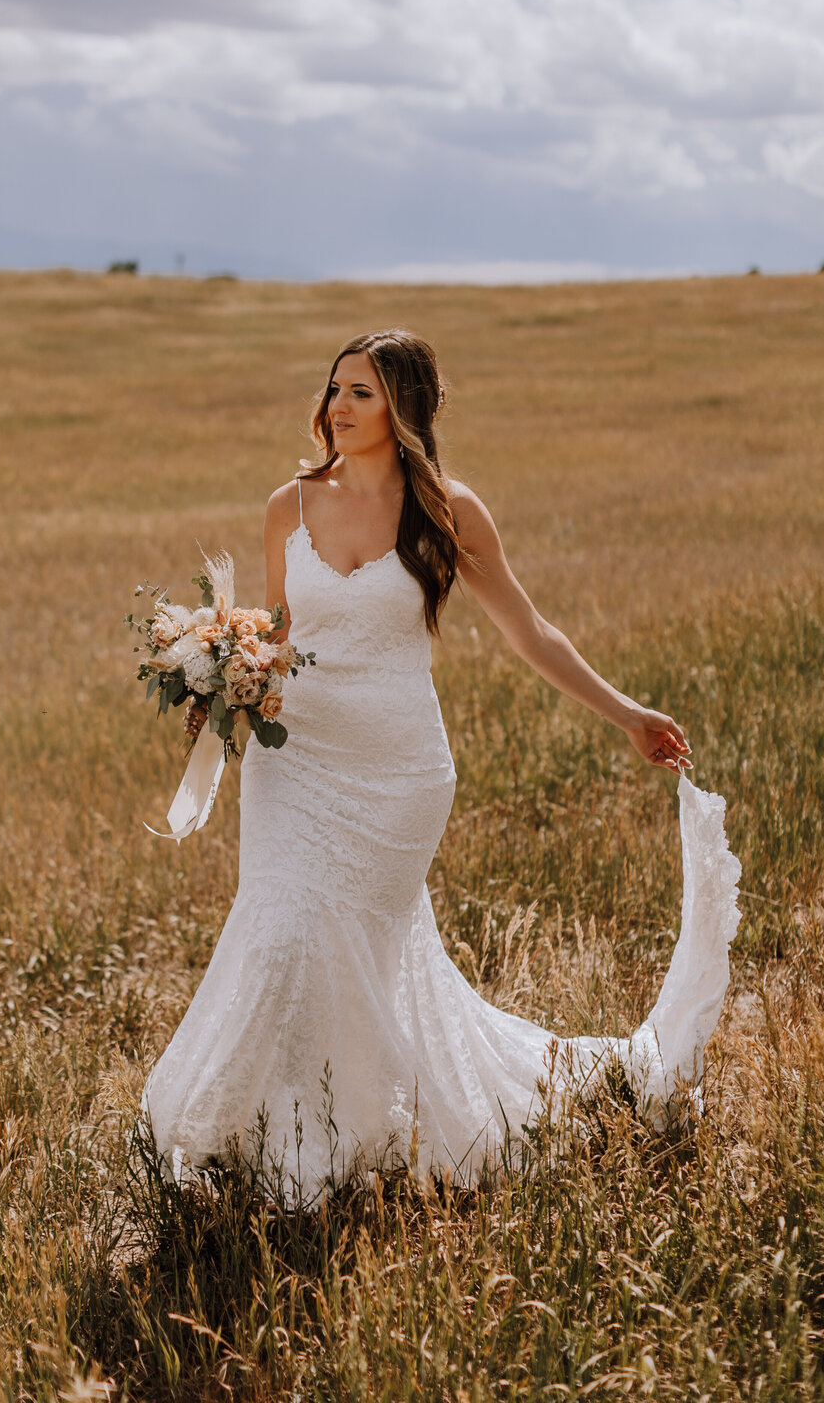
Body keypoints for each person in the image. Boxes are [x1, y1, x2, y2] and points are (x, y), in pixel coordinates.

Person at [143, 329, 740, 1191]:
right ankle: (273, 1136)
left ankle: (358, 1134)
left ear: (403, 407)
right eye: (334, 389)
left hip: (397, 775)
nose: (337, 408)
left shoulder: (449, 512)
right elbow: (278, 637)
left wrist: (626, 713)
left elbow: (529, 631)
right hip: (294, 763)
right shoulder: (290, 506)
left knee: (348, 952)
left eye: (361, 393)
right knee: (280, 932)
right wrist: (215, 663)